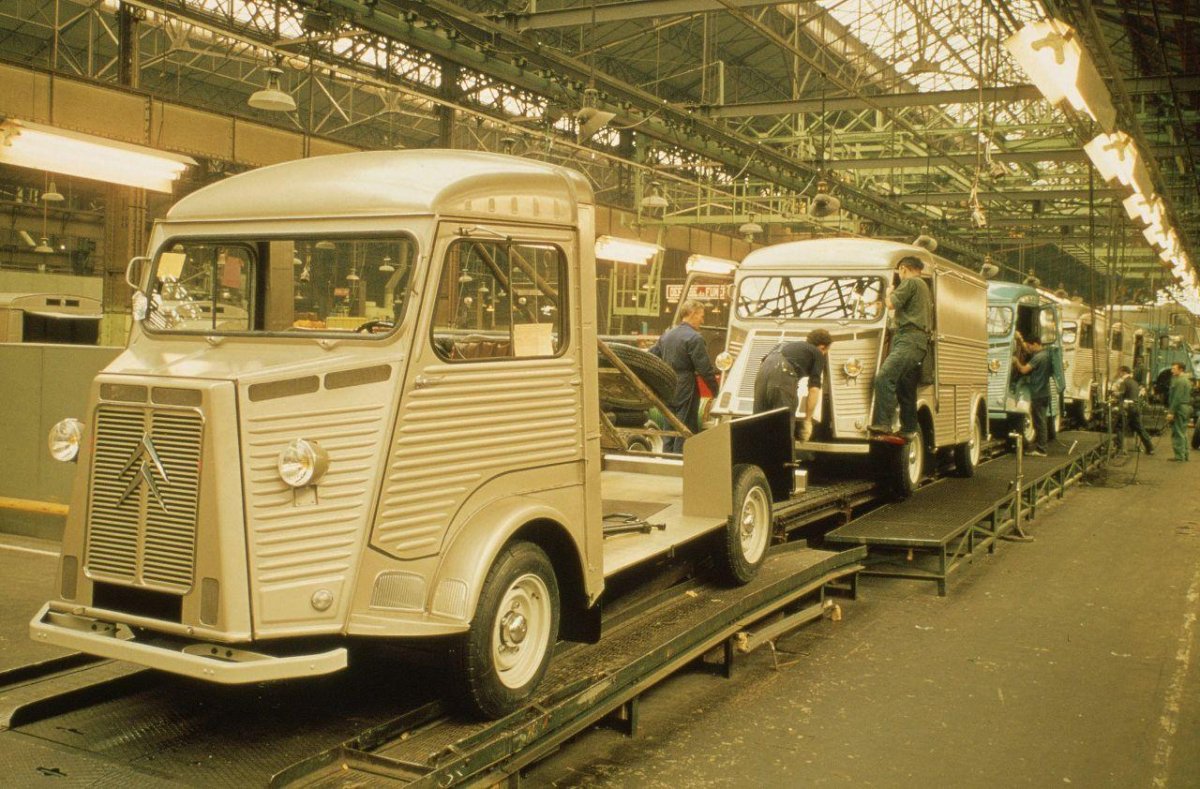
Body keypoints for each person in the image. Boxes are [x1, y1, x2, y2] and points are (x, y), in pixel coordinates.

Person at [869, 256, 931, 440]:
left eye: (899, 272)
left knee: (884, 378)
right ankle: (909, 428)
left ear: (903, 268)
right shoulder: (923, 286)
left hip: (908, 339)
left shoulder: (911, 282)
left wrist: (889, 292)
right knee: (906, 386)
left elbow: (890, 304)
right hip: (917, 342)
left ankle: (882, 424)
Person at [650, 300, 719, 453]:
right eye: (701, 316)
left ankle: (666, 460)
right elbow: (705, 370)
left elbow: (652, 356)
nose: (702, 320)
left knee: (669, 428)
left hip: (667, 386)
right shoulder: (694, 338)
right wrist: (716, 391)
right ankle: (680, 461)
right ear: (692, 314)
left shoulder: (667, 335)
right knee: (684, 428)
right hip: (686, 387)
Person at [753, 328, 834, 441]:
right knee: (783, 428)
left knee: (758, 425)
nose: (824, 354)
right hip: (782, 373)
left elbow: (764, 363)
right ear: (822, 347)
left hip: (762, 374)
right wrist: (807, 421)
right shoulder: (817, 353)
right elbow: (814, 389)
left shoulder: (786, 345)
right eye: (826, 351)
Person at [1012, 337, 1051, 456]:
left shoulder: (1038, 357)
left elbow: (1024, 370)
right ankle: (1041, 447)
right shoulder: (1046, 355)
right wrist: (1020, 340)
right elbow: (1027, 350)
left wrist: (1016, 361)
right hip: (1044, 392)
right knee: (1041, 420)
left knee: (1040, 421)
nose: (1029, 349)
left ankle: (1041, 449)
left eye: (1030, 346)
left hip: (1038, 393)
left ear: (1035, 344)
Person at [1113, 365, 1153, 455]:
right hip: (1136, 407)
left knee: (1120, 427)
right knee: (1140, 428)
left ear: (1123, 372)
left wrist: (1114, 393)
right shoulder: (1134, 382)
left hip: (1127, 408)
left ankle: (1121, 449)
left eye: (1119, 372)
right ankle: (1150, 448)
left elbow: (1121, 394)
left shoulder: (1124, 382)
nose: (1118, 374)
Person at [1166, 362, 1192, 462]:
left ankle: (1179, 456)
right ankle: (1185, 455)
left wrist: (1171, 412)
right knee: (1183, 432)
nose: (1172, 370)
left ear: (1181, 369)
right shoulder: (1186, 380)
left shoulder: (1180, 381)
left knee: (1177, 432)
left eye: (1174, 368)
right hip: (1184, 407)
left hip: (1179, 408)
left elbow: (1177, 397)